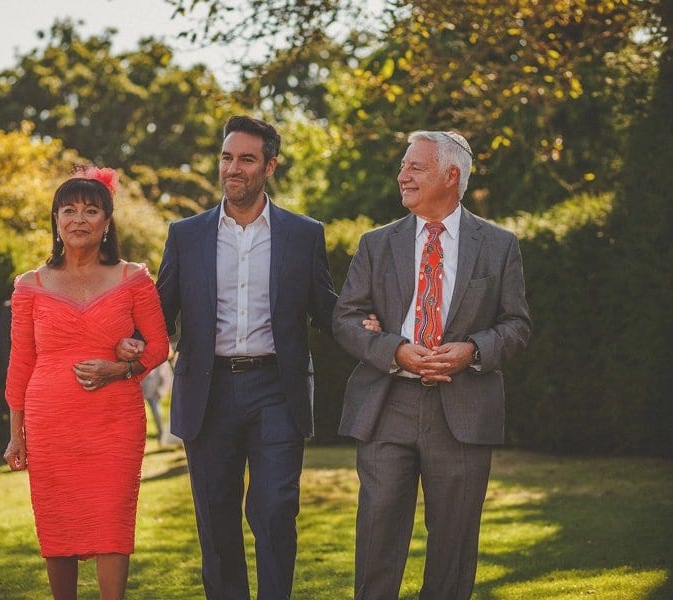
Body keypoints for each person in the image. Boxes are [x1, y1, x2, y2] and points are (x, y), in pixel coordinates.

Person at [119, 115, 338, 600]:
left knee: (276, 508)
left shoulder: (303, 234)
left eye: (245, 159)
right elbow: (161, 308)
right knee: (216, 517)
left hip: (277, 390)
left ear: (270, 166)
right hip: (208, 389)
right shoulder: (187, 235)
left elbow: (326, 309)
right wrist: (133, 340)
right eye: (226, 157)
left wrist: (376, 332)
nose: (232, 168)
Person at [333, 130, 532, 599]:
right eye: (403, 166)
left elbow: (517, 326)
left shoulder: (499, 246)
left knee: (453, 553)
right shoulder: (375, 244)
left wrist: (473, 351)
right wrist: (394, 350)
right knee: (377, 543)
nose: (402, 176)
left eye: (414, 167)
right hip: (386, 408)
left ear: (451, 175)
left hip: (463, 411)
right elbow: (344, 318)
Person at [3, 166, 170, 600]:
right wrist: (15, 433)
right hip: (51, 426)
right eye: (69, 210)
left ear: (107, 222)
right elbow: (20, 364)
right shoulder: (29, 286)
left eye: (91, 210)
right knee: (58, 526)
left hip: (114, 424)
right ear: (56, 220)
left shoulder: (133, 279)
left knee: (113, 522)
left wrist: (120, 368)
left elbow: (157, 348)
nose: (79, 218)